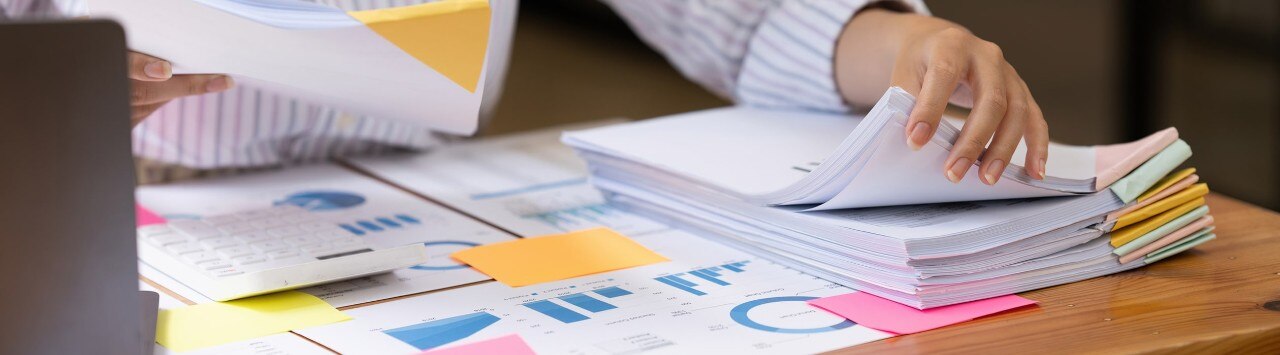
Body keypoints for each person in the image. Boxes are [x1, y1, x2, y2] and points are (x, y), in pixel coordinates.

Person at [0, 0, 1046, 185]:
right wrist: (41, 93)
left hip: (421, 203)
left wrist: (910, 46)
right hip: (122, 199)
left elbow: (743, 14)